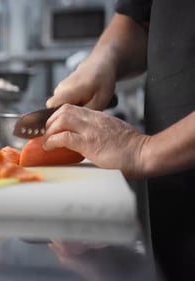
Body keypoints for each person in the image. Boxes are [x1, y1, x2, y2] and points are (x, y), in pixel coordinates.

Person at [40, 0, 195, 280]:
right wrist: (101, 61)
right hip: (172, 222)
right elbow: (138, 20)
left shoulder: (145, 153)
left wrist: (143, 151)